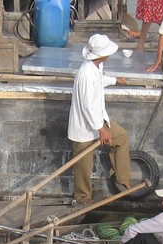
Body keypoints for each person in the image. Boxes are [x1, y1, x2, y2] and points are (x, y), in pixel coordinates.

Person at [68, 34, 131, 206]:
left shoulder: (97, 66)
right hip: (84, 127)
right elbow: (87, 106)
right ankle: (83, 197)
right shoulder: (86, 74)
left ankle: (122, 176)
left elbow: (100, 81)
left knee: (121, 137)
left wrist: (114, 80)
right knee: (83, 166)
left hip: (99, 118)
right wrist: (101, 129)